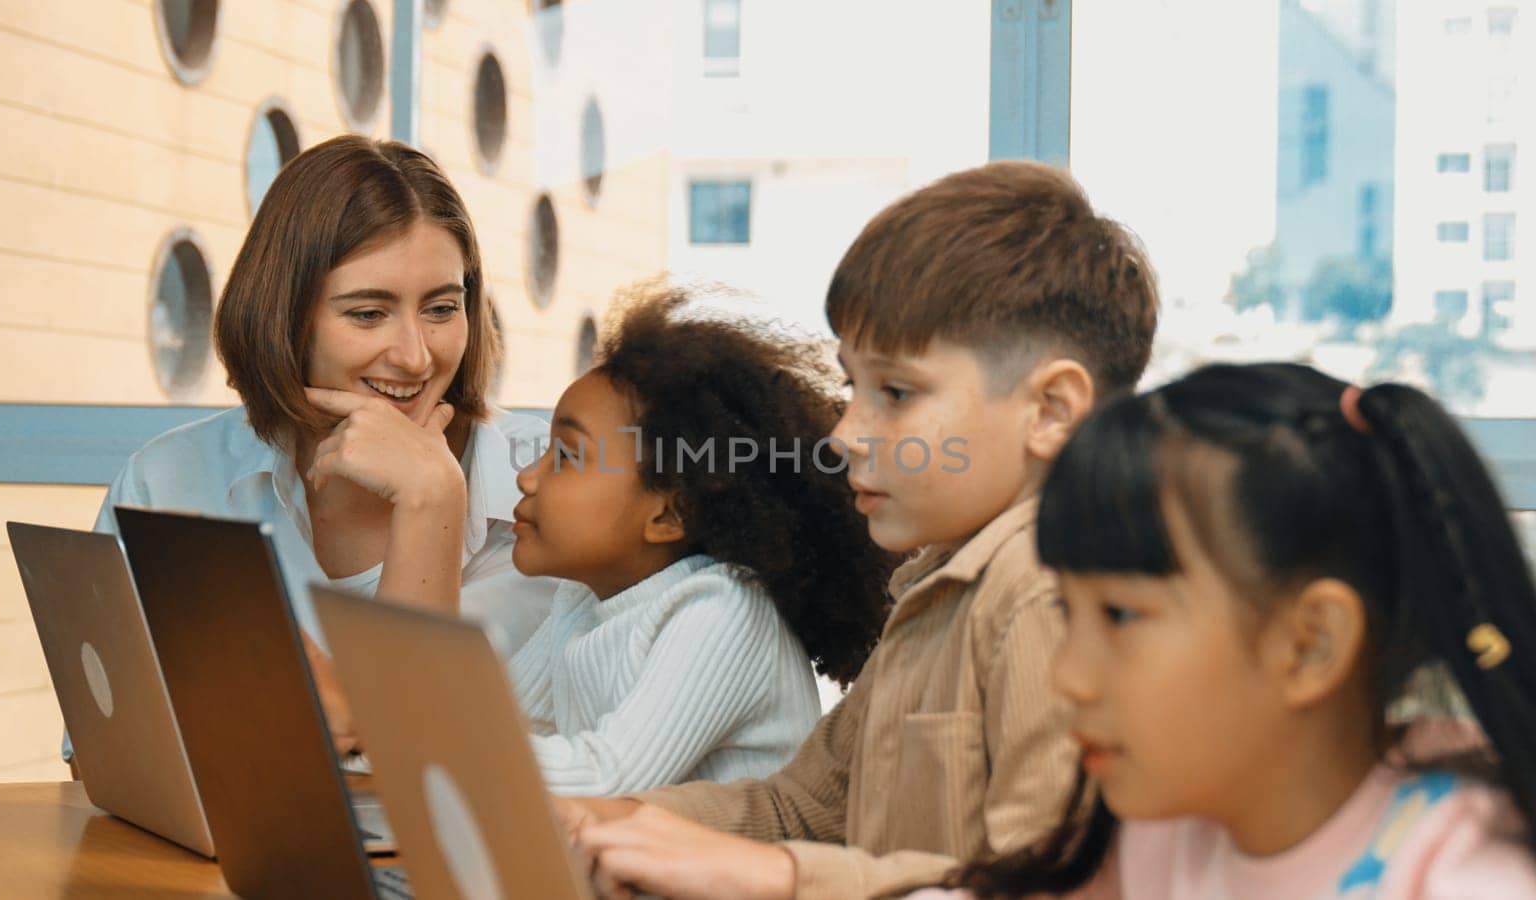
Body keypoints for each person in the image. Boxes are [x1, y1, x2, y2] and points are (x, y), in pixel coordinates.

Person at [568, 160, 1161, 900]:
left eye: (897, 392)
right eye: (853, 386)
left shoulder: (1047, 594)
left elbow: (1038, 887)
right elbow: (801, 810)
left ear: (1051, 409)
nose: (847, 433)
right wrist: (606, 821)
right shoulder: (936, 585)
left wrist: (778, 876)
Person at [913, 363, 1536, 899]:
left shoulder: (1466, 877)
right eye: (1067, 615)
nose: (1068, 676)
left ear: (1309, 645)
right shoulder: (1177, 830)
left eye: (1120, 615)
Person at [85, 135, 555, 759]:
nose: (415, 356)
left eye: (442, 308)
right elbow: (100, 760)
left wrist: (432, 496)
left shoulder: (559, 484)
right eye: (367, 314)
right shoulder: (169, 481)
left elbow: (419, 775)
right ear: (285, 317)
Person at [505, 285, 897, 795]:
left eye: (566, 456)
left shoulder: (722, 610)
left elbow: (606, 779)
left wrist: (432, 740)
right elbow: (501, 717)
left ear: (669, 513)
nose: (528, 478)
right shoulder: (580, 599)